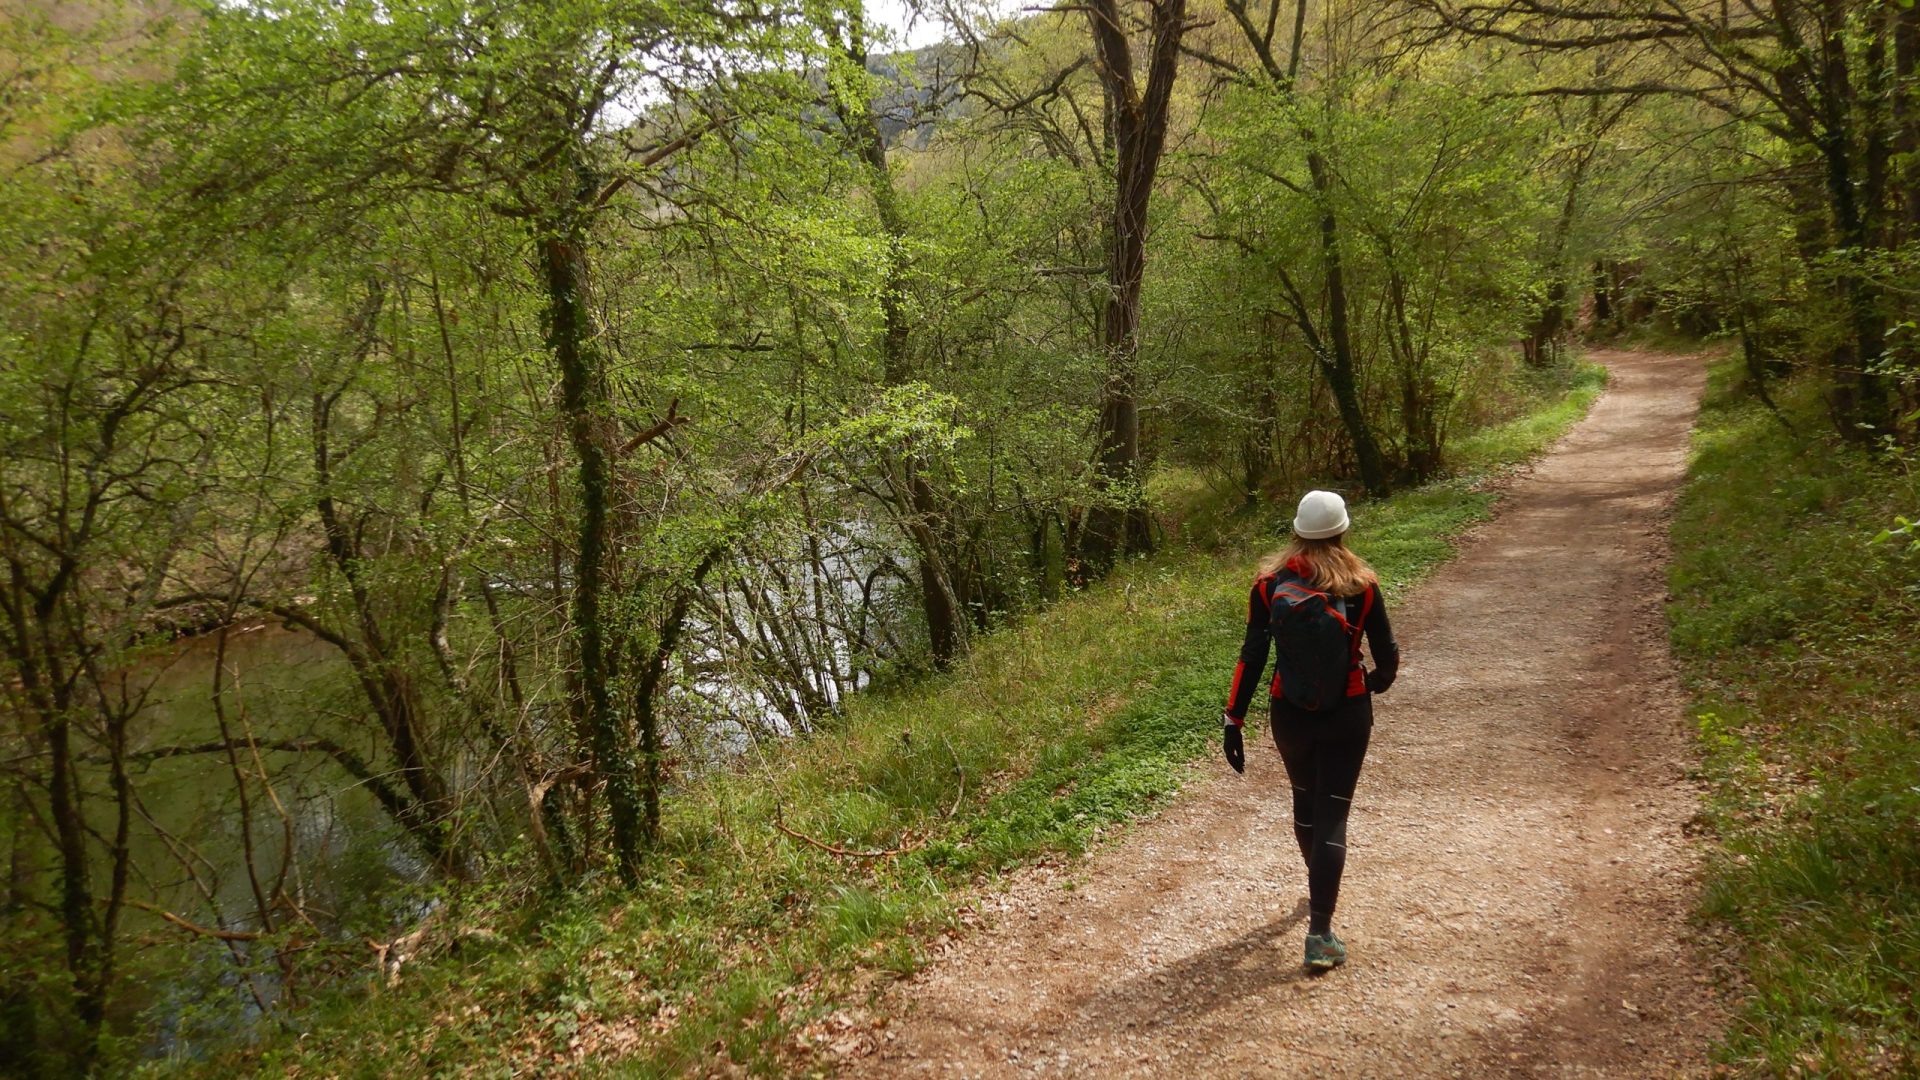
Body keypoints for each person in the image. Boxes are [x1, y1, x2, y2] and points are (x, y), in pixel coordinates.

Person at [1220, 489, 1399, 971]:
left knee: (1305, 800)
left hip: (1289, 711)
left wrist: (1233, 719)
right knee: (1334, 814)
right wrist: (1377, 681)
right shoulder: (1362, 584)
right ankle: (1320, 931)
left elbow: (1252, 655)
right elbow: (1388, 653)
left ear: (1297, 532)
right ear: (1342, 531)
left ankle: (1317, 879)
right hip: (1348, 710)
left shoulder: (1269, 584)